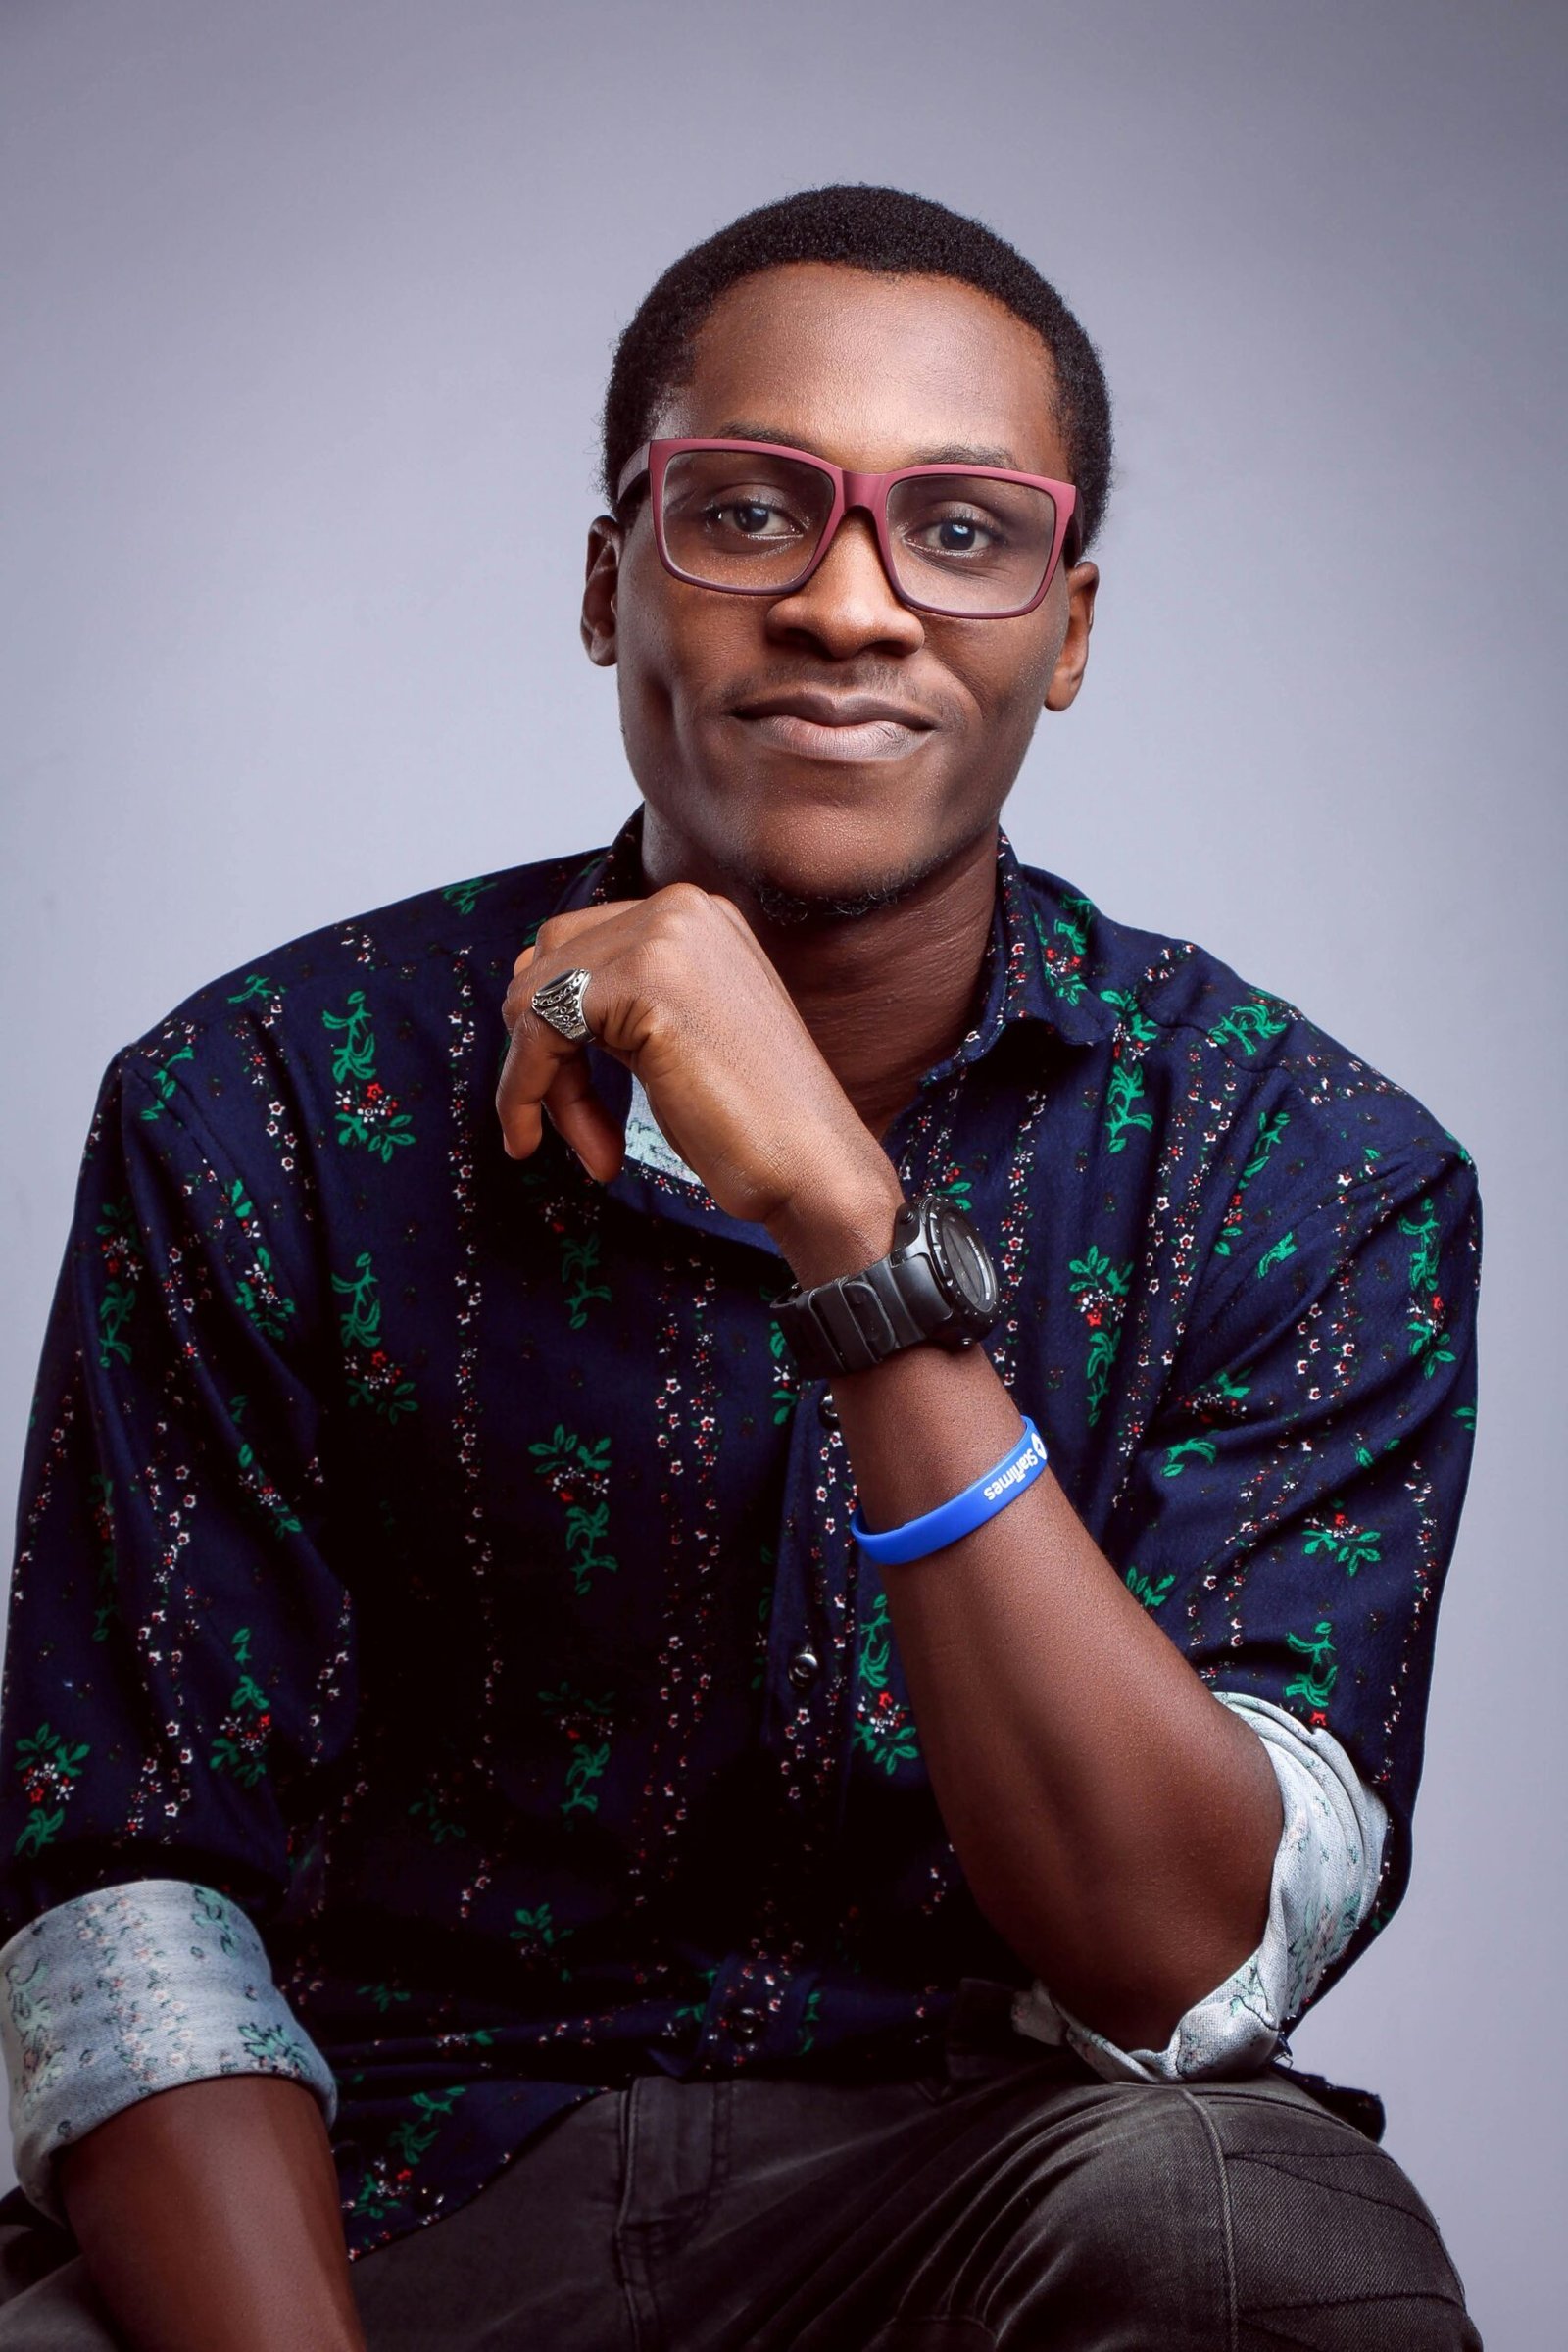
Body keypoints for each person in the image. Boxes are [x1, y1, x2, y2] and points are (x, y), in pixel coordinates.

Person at [0, 185, 1481, 2349]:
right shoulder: (265, 1102)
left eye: (959, 531)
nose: (849, 607)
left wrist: (845, 1228)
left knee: (1256, 2232)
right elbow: (129, 1892)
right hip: (379, 2197)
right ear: (608, 586)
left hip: (979, 2190)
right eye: (750, 510)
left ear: (1065, 630)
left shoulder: (1305, 1164)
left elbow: (1173, 1966)